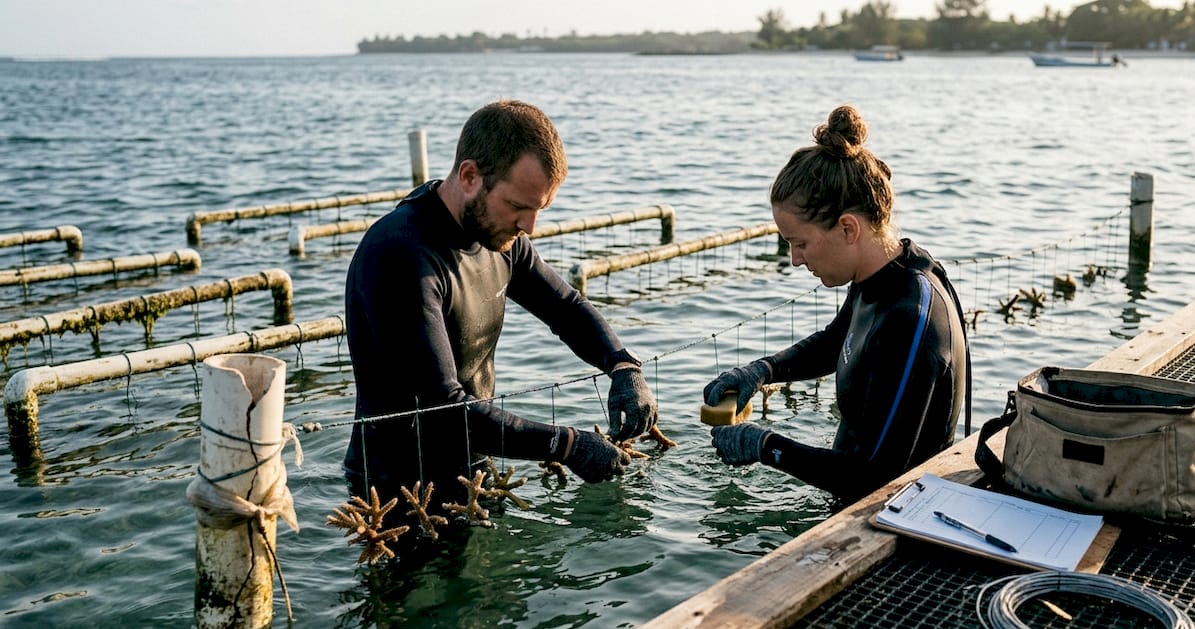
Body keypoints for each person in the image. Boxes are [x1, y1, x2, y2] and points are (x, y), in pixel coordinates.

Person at [344, 99, 658, 522]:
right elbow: (444, 409)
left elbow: (566, 307)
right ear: (470, 176)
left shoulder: (500, 239)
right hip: (396, 496)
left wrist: (623, 366)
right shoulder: (401, 256)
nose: (529, 227)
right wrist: (566, 445)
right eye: (518, 207)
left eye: (539, 209)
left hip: (474, 469)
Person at [703, 104, 969, 506]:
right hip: (852, 498)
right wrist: (763, 370)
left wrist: (767, 447)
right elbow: (839, 342)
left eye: (800, 243)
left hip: (893, 521)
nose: (795, 259)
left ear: (848, 228)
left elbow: (873, 477)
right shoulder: (882, 273)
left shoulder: (911, 317)